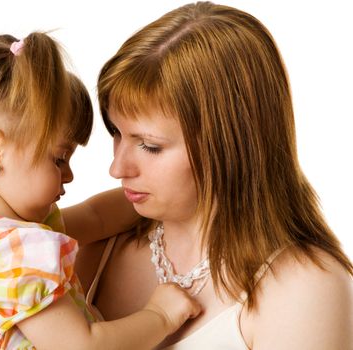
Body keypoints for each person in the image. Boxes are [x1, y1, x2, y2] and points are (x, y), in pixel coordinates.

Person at [76, 2, 353, 349]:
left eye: (149, 145)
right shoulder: (99, 244)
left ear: (231, 144)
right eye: (116, 132)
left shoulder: (304, 288)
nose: (117, 168)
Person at [0, 32, 201, 349]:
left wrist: (154, 192)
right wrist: (161, 315)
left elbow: (96, 217)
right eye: (58, 158)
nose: (68, 175)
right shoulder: (18, 250)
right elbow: (84, 347)